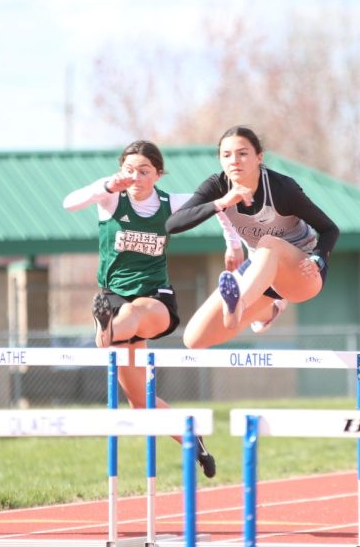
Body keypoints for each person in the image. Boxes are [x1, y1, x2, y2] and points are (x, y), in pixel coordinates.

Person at [63, 140, 238, 479]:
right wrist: (105, 185)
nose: (136, 177)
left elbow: (221, 208)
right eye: (129, 170)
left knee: (131, 317)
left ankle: (107, 328)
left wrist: (232, 245)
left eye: (144, 171)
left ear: (158, 174)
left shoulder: (171, 203)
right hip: (113, 295)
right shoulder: (111, 198)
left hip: (154, 297)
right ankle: (193, 438)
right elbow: (69, 203)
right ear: (120, 171)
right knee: (141, 404)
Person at [164, 125, 339, 348]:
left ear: (259, 157)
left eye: (242, 153)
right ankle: (267, 310)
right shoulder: (217, 187)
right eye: (226, 155)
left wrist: (317, 259)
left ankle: (239, 304)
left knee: (269, 242)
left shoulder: (282, 189)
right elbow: (173, 224)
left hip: (301, 271)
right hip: (260, 270)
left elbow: (329, 229)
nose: (234, 160)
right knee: (194, 339)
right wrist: (222, 202)